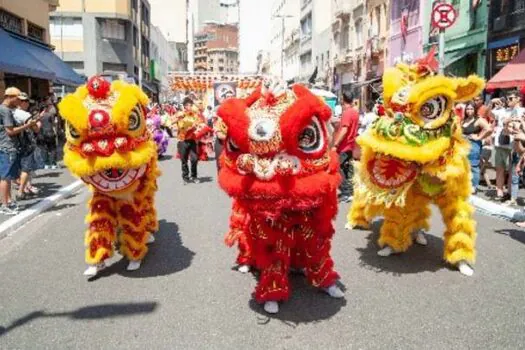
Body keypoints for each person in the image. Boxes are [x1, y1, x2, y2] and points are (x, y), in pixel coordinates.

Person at [0, 88, 38, 215]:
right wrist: (28, 125)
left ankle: (8, 201)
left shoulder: (4, 109)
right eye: (17, 98)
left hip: (6, 147)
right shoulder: (5, 111)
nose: (19, 102)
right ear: (10, 97)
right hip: (8, 147)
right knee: (5, 177)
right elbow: (10, 131)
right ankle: (5, 204)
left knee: (8, 177)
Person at [494, 91, 525, 200]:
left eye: (511, 98)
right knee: (502, 169)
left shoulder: (523, 111)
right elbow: (491, 115)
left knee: (513, 173)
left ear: (518, 99)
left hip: (517, 146)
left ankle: (511, 195)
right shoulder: (504, 111)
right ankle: (503, 193)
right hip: (504, 144)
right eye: (507, 99)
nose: (508, 101)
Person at [331, 91, 360, 202]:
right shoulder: (355, 112)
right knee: (347, 169)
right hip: (350, 145)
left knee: (339, 168)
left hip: (344, 145)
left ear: (343, 99)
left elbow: (344, 129)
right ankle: (351, 192)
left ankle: (346, 192)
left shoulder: (347, 113)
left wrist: (335, 144)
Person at [13, 93, 42, 200]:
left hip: (12, 144)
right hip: (25, 144)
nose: (28, 104)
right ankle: (21, 191)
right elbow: (36, 129)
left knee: (16, 168)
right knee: (26, 168)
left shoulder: (9, 112)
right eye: (26, 102)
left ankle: (24, 187)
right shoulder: (24, 115)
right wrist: (37, 122)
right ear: (22, 102)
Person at [461, 102, 492, 193]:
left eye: (471, 109)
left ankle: (474, 186)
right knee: (464, 166)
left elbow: (489, 129)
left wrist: (479, 137)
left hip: (473, 145)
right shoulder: (464, 120)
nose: (469, 111)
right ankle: (466, 185)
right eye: (467, 109)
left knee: (473, 166)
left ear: (475, 110)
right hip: (463, 145)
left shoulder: (478, 120)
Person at [175, 97, 202, 184]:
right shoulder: (180, 114)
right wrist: (181, 123)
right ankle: (185, 177)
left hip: (192, 139)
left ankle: (194, 176)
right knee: (184, 160)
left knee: (194, 159)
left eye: (191, 105)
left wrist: (197, 127)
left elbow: (199, 124)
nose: (190, 106)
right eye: (188, 105)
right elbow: (177, 125)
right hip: (182, 140)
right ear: (184, 106)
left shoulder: (195, 115)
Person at [39, 97, 58, 169]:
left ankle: (46, 164)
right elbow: (54, 123)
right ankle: (53, 164)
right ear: (46, 108)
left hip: (42, 133)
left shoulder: (39, 116)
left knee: (44, 148)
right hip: (50, 132)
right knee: (52, 148)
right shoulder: (50, 115)